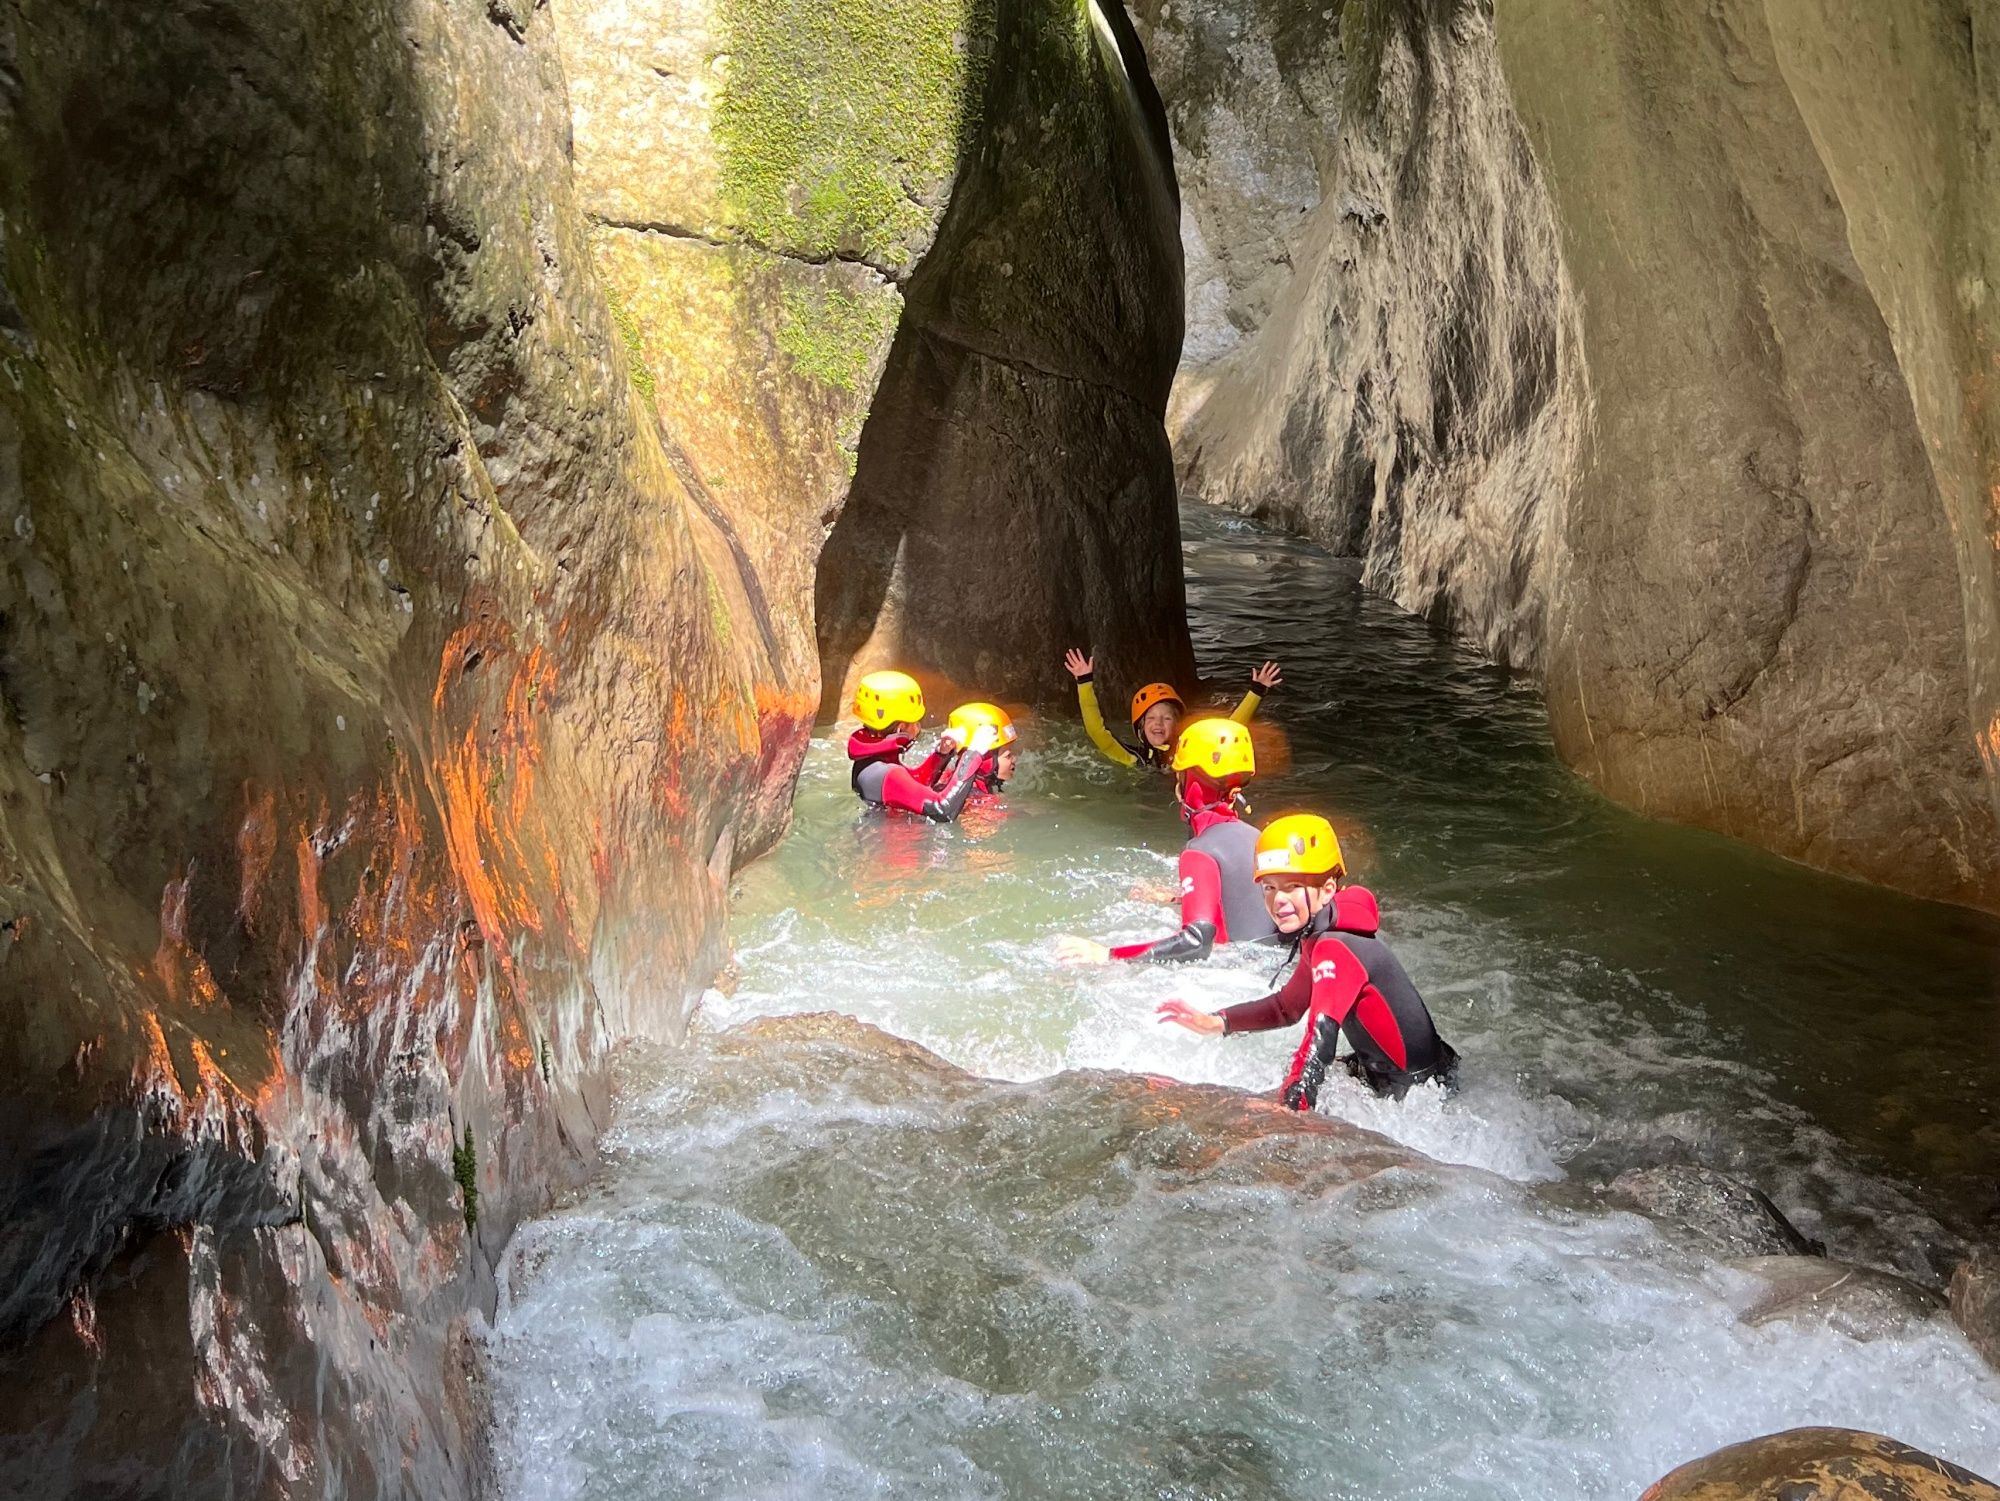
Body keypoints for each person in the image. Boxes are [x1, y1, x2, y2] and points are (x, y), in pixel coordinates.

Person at [1156, 814, 1458, 1105]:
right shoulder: (1320, 937)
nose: (1278, 900)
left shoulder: (1335, 947)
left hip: (1418, 1095)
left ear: (1327, 890)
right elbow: (1285, 1008)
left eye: (1291, 887)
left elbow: (1320, 1038)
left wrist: (1289, 1110)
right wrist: (1217, 1021)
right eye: (1269, 888)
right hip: (1404, 1074)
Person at [1054, 718, 1277, 963]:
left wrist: (1106, 955)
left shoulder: (1199, 852)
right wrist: (1179, 898)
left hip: (1236, 973)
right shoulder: (1258, 837)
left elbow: (1196, 941)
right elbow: (1241, 903)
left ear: (1187, 781)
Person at [1063, 648, 1282, 771]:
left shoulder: (1187, 754)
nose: (1158, 723)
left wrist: (1256, 692)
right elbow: (1096, 731)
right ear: (1140, 726)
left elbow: (1227, 730)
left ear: (1177, 725)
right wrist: (1084, 681)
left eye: (1167, 718)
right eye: (1151, 718)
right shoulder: (1131, 757)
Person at [846, 670, 996, 823]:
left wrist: (942, 754)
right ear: (901, 728)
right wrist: (973, 754)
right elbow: (943, 809)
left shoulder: (870, 763)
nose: (918, 727)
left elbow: (913, 788)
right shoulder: (888, 774)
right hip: (903, 846)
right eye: (916, 722)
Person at [927, 702, 1020, 807]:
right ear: (986, 761)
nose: (1014, 759)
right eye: (1008, 755)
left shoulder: (947, 777)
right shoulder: (977, 801)